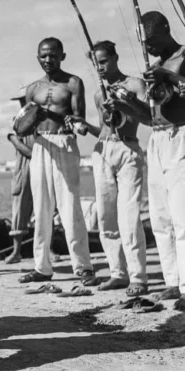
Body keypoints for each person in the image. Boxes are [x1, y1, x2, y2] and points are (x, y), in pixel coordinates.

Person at [66, 40, 151, 296]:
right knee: (106, 217)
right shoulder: (98, 94)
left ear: (115, 58)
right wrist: (82, 125)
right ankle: (118, 273)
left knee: (130, 216)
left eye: (103, 61)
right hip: (103, 151)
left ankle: (138, 277)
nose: (100, 67)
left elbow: (146, 116)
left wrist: (123, 104)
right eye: (95, 63)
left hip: (128, 150)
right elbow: (104, 130)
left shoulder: (135, 84)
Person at [18, 37, 96, 286]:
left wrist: (49, 114)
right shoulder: (32, 88)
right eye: (43, 55)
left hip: (64, 143)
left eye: (53, 55)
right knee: (40, 208)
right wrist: (30, 121)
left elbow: (78, 121)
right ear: (37, 57)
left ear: (62, 55)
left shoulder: (73, 83)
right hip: (41, 144)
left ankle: (83, 266)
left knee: (70, 205)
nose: (48, 60)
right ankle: (41, 267)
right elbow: (23, 126)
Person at [140, 11, 185, 310]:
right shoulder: (156, 66)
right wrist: (127, 105)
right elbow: (149, 116)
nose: (149, 48)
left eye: (151, 40)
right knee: (160, 217)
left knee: (182, 216)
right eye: (144, 44)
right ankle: (172, 282)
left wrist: (169, 76)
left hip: (181, 136)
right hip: (156, 140)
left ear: (166, 29)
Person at [5, 86, 35, 264]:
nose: (24, 102)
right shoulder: (16, 120)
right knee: (19, 207)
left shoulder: (42, 118)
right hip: (23, 166)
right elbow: (18, 143)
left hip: (40, 161)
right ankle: (16, 251)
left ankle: (50, 249)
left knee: (45, 207)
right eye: (21, 100)